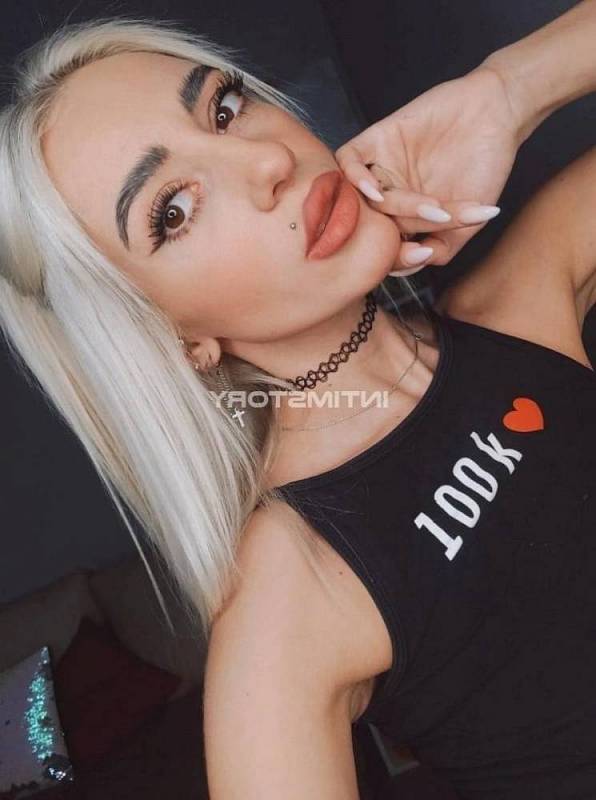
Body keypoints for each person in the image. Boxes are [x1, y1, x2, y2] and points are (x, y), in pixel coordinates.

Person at [0, 6, 593, 799]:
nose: (267, 161)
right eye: (172, 210)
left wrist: (506, 92)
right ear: (171, 337)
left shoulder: (513, 306)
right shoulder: (290, 590)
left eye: (224, 107)